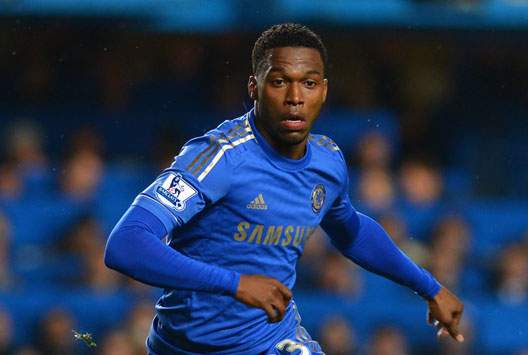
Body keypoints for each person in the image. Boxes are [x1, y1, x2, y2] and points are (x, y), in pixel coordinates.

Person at [104, 23, 464, 354]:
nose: (295, 96)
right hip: (185, 347)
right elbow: (126, 244)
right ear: (254, 87)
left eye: (308, 83)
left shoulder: (328, 162)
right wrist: (234, 283)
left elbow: (351, 231)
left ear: (323, 90)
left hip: (272, 341)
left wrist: (428, 286)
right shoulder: (219, 157)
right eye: (279, 82)